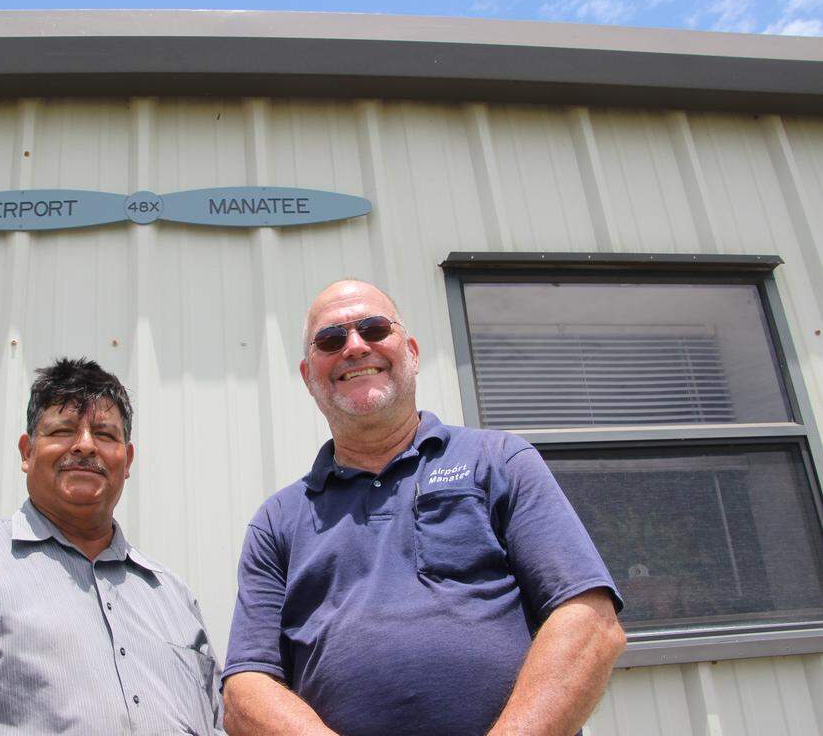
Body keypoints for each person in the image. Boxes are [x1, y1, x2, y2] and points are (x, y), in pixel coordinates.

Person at [222, 280, 626, 736]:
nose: (355, 347)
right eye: (331, 339)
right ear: (308, 375)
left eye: (374, 329)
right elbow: (245, 690)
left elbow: (588, 621)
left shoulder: (499, 461)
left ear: (411, 352)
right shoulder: (276, 521)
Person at [0, 357, 222, 736]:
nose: (85, 446)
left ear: (126, 460)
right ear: (27, 453)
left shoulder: (175, 600)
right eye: (63, 431)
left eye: (105, 435)